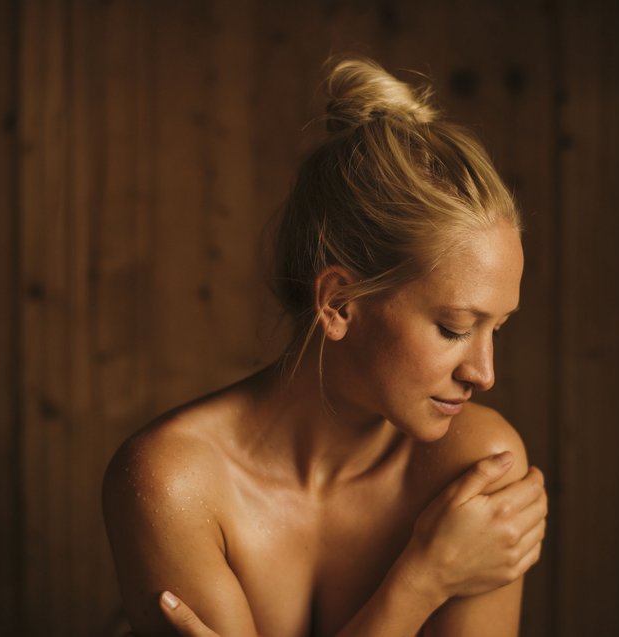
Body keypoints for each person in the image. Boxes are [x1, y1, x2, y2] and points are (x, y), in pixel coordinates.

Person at [103, 56, 547, 637]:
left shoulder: (476, 464)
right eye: (455, 327)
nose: (483, 373)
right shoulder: (174, 483)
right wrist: (423, 580)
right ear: (338, 303)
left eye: (498, 328)